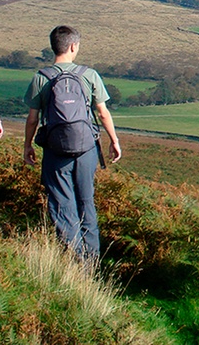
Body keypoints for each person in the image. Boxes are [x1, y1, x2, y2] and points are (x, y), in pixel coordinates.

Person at [23, 25, 121, 264]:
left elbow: (33, 118)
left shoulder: (41, 77)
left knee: (62, 204)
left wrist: (27, 146)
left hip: (55, 151)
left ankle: (73, 261)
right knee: (86, 200)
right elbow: (103, 113)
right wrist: (114, 141)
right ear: (73, 46)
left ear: (53, 46)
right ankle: (91, 263)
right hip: (86, 149)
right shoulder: (89, 75)